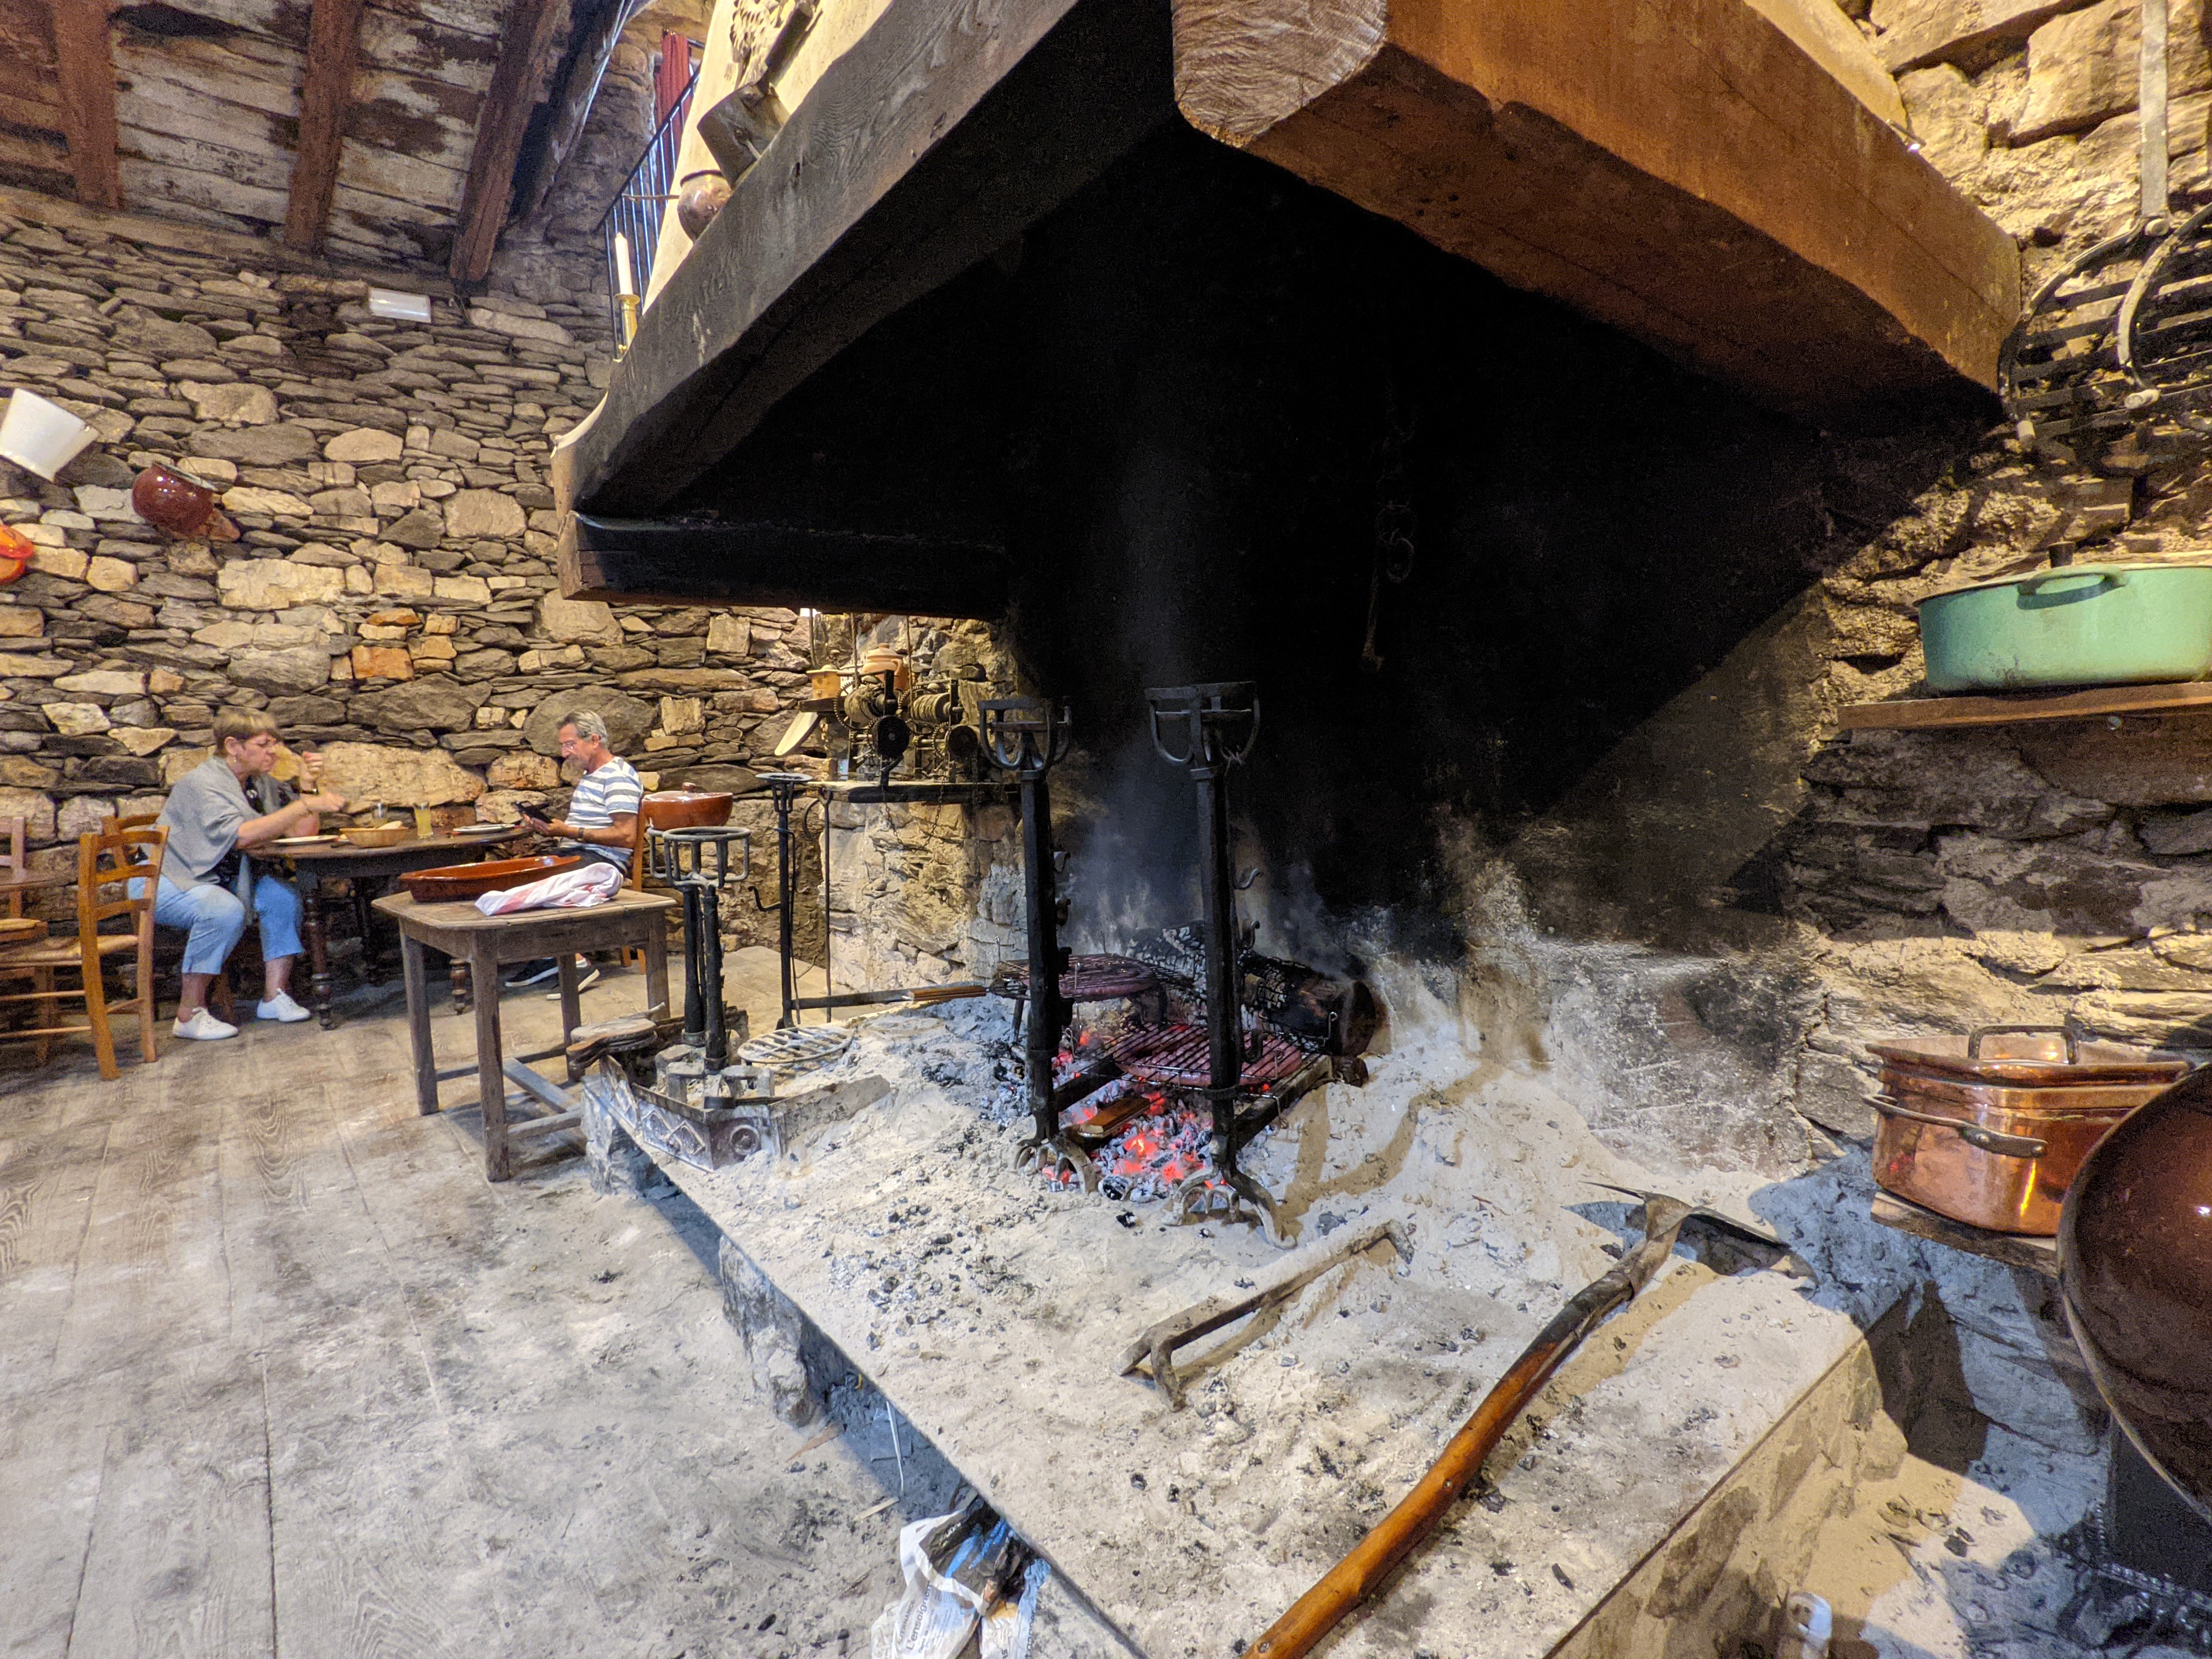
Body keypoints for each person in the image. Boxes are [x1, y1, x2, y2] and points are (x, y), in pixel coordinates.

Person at [154, 708, 348, 1040]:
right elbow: (242, 836)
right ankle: (189, 1014)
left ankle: (274, 997)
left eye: (275, 743)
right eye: (264, 744)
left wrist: (308, 787)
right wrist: (303, 806)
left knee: (282, 897)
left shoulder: (259, 784)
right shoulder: (202, 783)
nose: (274, 751)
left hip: (225, 878)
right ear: (233, 746)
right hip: (170, 880)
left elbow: (301, 832)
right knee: (223, 910)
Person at [508, 710, 642, 989]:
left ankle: (577, 961)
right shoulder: (591, 775)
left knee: (538, 883)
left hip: (603, 862)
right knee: (517, 875)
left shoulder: (617, 777)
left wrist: (569, 832)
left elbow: (627, 836)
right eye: (563, 746)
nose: (564, 753)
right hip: (579, 854)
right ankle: (550, 957)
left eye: (570, 744)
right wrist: (548, 828)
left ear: (594, 740)